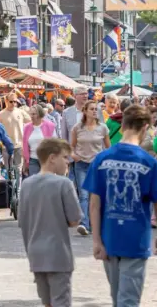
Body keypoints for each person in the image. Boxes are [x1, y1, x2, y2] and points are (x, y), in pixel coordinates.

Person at [83, 105, 157, 306]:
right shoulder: (149, 162)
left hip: (109, 237)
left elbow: (94, 204)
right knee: (128, 300)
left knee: (118, 298)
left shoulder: (102, 158)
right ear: (145, 127)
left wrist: (96, 240)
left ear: (122, 126)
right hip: (135, 240)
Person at [18, 138, 83, 307]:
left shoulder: (26, 185)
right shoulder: (64, 184)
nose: (67, 162)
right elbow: (75, 219)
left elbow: (23, 222)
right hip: (58, 254)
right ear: (52, 158)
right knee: (61, 301)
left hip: (36, 255)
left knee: (47, 303)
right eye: (64, 157)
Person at [70, 100, 111, 236]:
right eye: (92, 109)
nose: (94, 111)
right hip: (81, 164)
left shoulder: (102, 128)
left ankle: (95, 223)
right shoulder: (77, 128)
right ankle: (84, 224)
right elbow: (71, 146)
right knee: (84, 195)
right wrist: (74, 156)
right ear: (85, 111)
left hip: (97, 165)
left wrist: (105, 160)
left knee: (95, 195)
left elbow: (108, 147)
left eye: (96, 109)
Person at [0, 92, 28, 177]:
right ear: (6, 101)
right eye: (11, 101)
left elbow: (31, 122)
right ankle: (9, 184)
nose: (13, 103)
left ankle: (18, 185)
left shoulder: (21, 112)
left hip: (19, 145)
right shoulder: (1, 114)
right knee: (7, 169)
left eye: (15, 101)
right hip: (6, 146)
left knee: (18, 169)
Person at [23, 104, 57, 176]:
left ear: (40, 114)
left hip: (46, 160)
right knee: (35, 181)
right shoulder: (26, 127)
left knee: (46, 181)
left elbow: (54, 143)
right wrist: (25, 162)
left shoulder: (49, 126)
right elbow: (25, 146)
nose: (31, 116)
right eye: (30, 114)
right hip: (32, 159)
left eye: (34, 114)